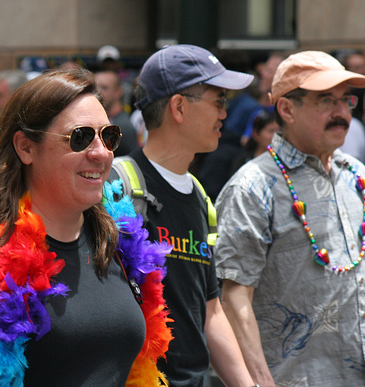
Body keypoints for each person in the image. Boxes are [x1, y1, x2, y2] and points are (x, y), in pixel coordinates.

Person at [0, 68, 173, 386]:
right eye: (80, 137)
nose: (101, 153)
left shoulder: (121, 242)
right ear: (25, 147)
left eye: (109, 137)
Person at [215, 50, 365, 386]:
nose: (342, 113)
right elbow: (234, 298)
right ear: (287, 109)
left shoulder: (358, 176)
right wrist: (260, 383)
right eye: (326, 101)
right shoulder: (252, 186)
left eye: (346, 100)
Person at [110, 44, 256, 387]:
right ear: (178, 107)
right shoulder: (118, 186)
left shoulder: (201, 196)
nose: (225, 113)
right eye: (219, 100)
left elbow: (211, 309)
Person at [95, 70, 138, 156]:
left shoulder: (123, 127)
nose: (98, 93)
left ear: (118, 91)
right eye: (95, 88)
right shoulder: (104, 121)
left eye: (104, 88)